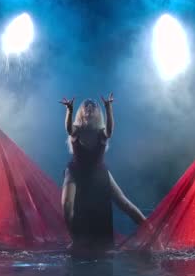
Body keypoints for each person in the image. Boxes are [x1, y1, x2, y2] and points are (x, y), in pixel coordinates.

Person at [59, 93, 146, 253]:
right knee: (67, 204)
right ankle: (76, 239)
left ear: (97, 113)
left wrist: (108, 107)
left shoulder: (101, 131)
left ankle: (153, 230)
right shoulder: (77, 129)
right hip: (76, 171)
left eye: (93, 108)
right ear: (82, 112)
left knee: (124, 203)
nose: (90, 110)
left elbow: (110, 131)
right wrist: (69, 111)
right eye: (87, 108)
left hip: (98, 171)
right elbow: (69, 129)